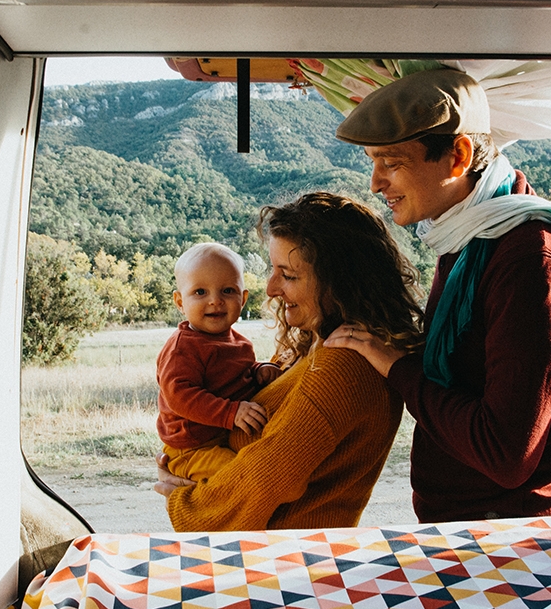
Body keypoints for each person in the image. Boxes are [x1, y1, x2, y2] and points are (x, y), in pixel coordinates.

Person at [324, 67, 551, 522]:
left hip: (517, 540)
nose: (375, 183)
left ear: (458, 155)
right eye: (373, 163)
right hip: (468, 526)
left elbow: (505, 453)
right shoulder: (469, 237)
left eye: (391, 162)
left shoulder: (531, 263)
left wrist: (396, 365)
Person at [154, 192, 425, 531]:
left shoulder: (345, 365)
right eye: (273, 270)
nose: (270, 288)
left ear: (340, 281)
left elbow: (267, 477)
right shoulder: (309, 347)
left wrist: (179, 499)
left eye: (289, 275)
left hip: (287, 561)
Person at [156, 242, 282, 483]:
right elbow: (180, 396)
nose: (215, 301)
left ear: (243, 298)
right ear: (180, 302)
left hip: (219, 438)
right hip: (193, 448)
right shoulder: (183, 348)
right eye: (200, 292)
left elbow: (236, 374)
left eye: (227, 291)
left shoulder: (240, 343)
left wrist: (259, 371)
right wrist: (231, 413)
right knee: (244, 475)